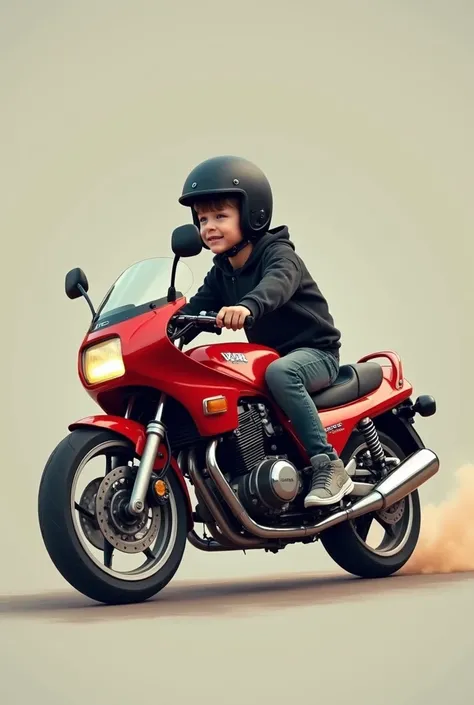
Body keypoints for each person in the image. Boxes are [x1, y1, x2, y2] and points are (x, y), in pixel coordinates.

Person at [178, 155, 354, 507]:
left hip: (314, 353)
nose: (209, 226)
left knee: (281, 373)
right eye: (202, 219)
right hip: (269, 359)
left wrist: (247, 307)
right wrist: (162, 329)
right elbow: (193, 309)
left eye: (220, 216)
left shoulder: (278, 255)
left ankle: (328, 465)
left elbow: (277, 285)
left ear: (252, 214)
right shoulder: (220, 273)